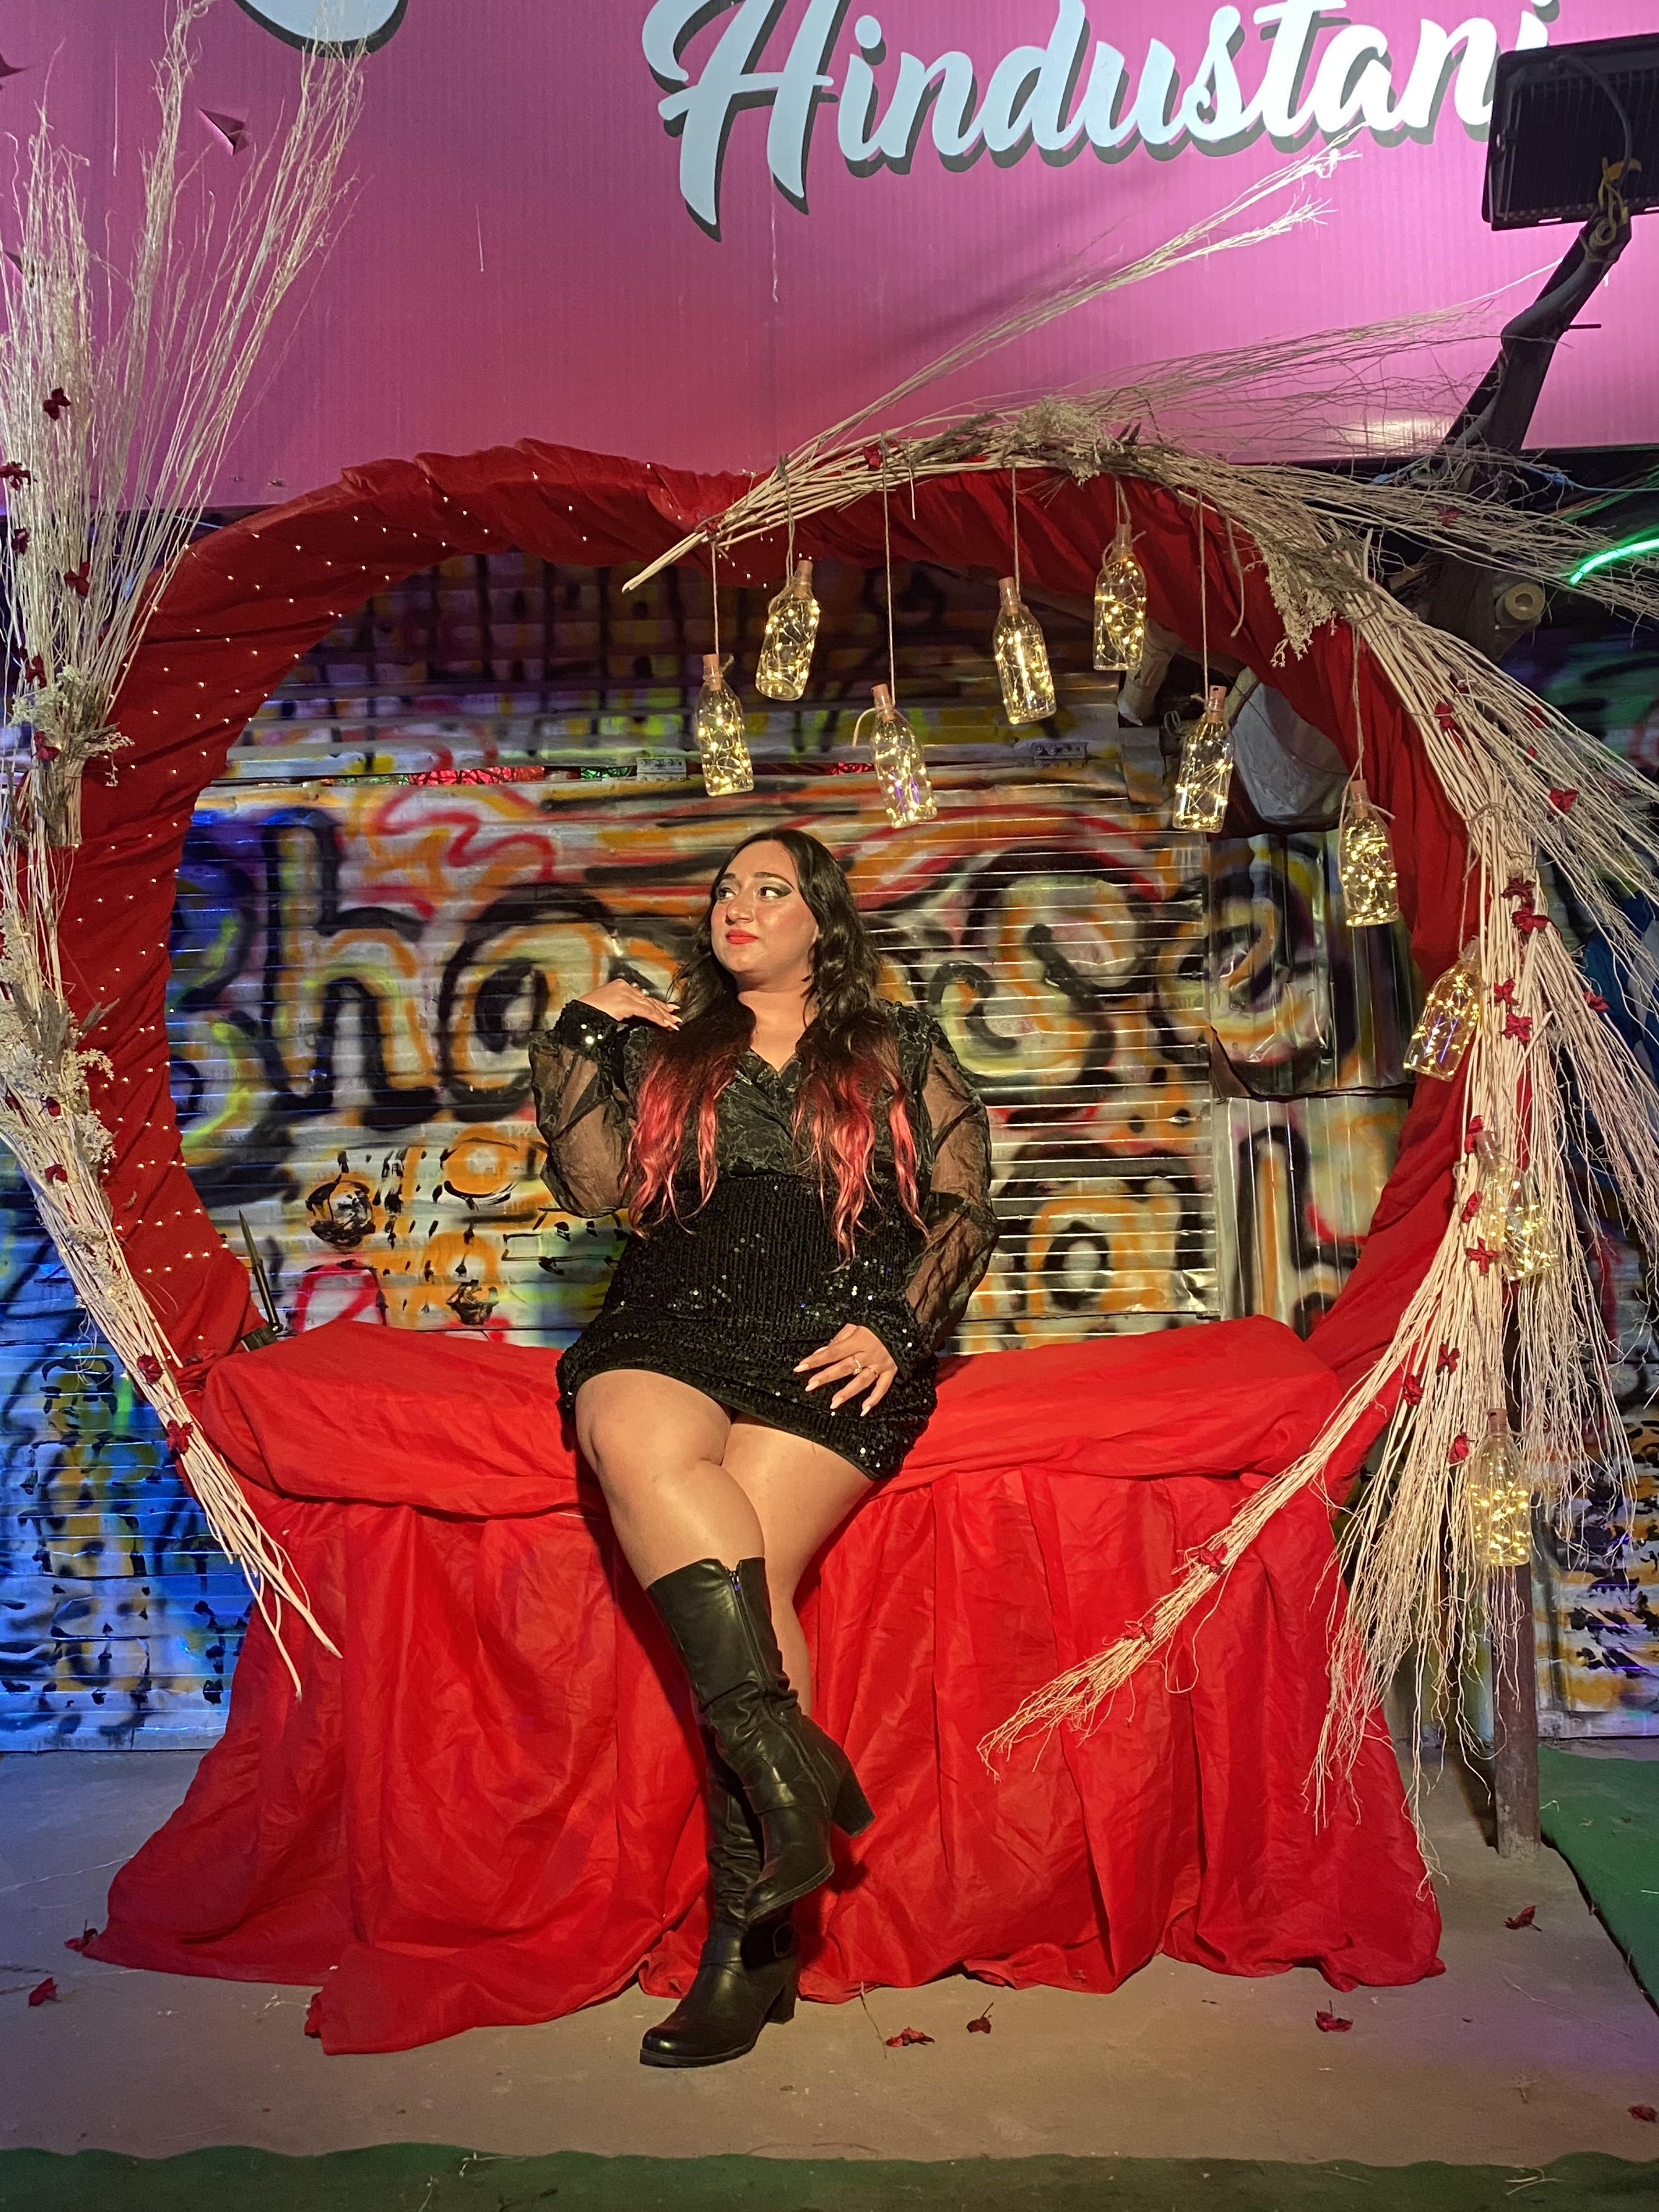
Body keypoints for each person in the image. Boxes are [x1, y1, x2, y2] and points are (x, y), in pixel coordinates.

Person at [529, 827, 997, 2069]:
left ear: (820, 921)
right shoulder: (669, 1048)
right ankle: (796, 1781)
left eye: (770, 888)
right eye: (727, 889)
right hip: (672, 1318)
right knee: (630, 1435)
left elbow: (964, 1205)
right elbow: (589, 1189)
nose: (739, 904)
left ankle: (750, 1943)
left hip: (831, 1339)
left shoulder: (900, 1046)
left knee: (753, 1575)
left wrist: (898, 1326)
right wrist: (583, 1030)